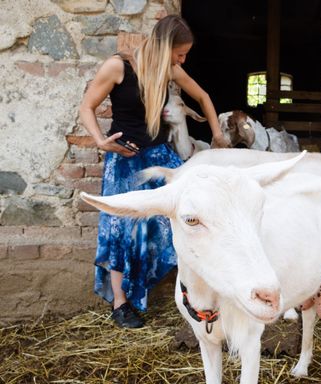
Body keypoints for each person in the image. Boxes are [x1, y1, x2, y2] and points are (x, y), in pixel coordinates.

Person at [79, 15, 230, 328]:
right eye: (180, 54)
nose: (183, 60)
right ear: (164, 47)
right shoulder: (118, 66)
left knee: (194, 210)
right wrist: (99, 141)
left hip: (160, 156)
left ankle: (205, 294)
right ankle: (121, 304)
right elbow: (87, 107)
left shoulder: (169, 70)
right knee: (119, 228)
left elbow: (203, 96)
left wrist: (217, 135)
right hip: (125, 160)